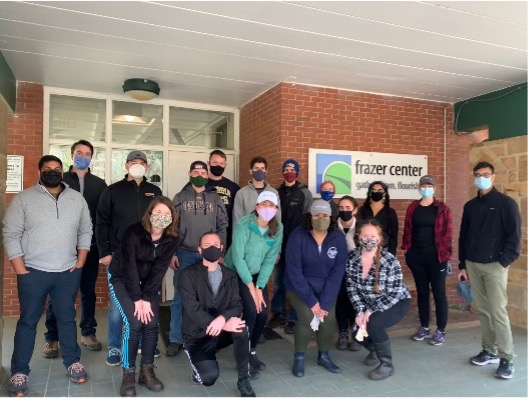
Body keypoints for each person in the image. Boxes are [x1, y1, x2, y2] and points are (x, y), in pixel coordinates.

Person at [3, 155, 93, 396]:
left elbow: (86, 229)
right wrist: (20, 269)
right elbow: (10, 233)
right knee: (28, 322)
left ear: (63, 172)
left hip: (67, 272)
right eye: (47, 169)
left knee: (66, 319)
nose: (52, 172)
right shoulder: (24, 199)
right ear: (40, 171)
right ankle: (19, 371)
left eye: (57, 169)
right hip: (33, 272)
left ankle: (73, 362)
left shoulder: (76, 199)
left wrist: (81, 261)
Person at [96, 150, 163, 366]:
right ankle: (115, 347)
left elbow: (162, 220)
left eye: (142, 162)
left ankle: (145, 342)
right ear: (126, 166)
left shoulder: (154, 191)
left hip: (147, 258)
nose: (137, 166)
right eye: (133, 162)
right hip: (119, 258)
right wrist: (104, 252)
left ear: (147, 167)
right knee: (118, 307)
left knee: (146, 301)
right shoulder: (112, 191)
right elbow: (102, 223)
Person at [109, 197, 179, 396]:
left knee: (151, 323)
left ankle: (146, 371)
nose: (162, 217)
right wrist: (137, 299)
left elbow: (159, 270)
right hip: (122, 278)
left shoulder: (172, 238)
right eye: (158, 213)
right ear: (149, 214)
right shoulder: (134, 232)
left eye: (167, 214)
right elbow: (128, 266)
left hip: (148, 283)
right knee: (134, 324)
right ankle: (128, 373)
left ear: (172, 218)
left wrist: (146, 297)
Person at [43, 140, 107, 358]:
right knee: (58, 293)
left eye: (87, 153)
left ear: (92, 157)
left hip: (90, 247)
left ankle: (88, 333)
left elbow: (103, 217)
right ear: (72, 155)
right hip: (62, 248)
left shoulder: (100, 184)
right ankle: (52, 338)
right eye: (79, 152)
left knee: (88, 292)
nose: (83, 156)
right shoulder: (58, 181)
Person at [458, 161, 521, 380]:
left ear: (493, 177)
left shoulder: (506, 204)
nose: (481, 177)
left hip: (495, 266)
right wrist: (462, 265)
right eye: (477, 174)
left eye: (485, 174)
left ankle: (507, 358)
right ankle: (490, 350)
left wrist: (503, 262)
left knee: (498, 312)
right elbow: (463, 236)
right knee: (483, 311)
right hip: (473, 265)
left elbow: (514, 239)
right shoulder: (470, 206)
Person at [179, 232, 256, 397]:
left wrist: (223, 320)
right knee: (208, 379)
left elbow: (237, 305)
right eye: (207, 245)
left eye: (215, 244)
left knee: (241, 328)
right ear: (199, 250)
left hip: (221, 331)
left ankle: (243, 379)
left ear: (222, 248)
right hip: (198, 334)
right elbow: (192, 308)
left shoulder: (230, 275)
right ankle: (198, 360)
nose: (212, 248)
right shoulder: (187, 275)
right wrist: (216, 322)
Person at [167, 161, 228, 357]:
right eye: (196, 171)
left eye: (203, 172)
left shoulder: (215, 198)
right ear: (189, 174)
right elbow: (171, 228)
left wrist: (219, 253)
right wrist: (172, 253)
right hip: (184, 253)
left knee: (208, 297)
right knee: (179, 298)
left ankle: (203, 337)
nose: (200, 175)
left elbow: (222, 226)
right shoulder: (180, 197)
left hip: (208, 255)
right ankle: (175, 338)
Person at [284, 200, 348, 377]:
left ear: (331, 217)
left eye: (325, 215)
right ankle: (299, 357)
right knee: (306, 316)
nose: (321, 218)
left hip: (326, 288)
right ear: (309, 217)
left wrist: (325, 304)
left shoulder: (337, 237)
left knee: (328, 317)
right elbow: (294, 271)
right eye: (317, 215)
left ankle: (324, 355)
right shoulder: (298, 235)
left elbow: (337, 272)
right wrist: (312, 302)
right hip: (299, 287)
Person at [225, 191, 283, 375]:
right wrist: (251, 287)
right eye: (263, 204)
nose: (267, 208)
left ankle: (252, 350)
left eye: (271, 205)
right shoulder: (243, 225)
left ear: (276, 209)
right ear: (256, 207)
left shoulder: (278, 228)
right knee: (251, 309)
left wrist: (259, 287)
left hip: (258, 274)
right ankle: (242, 356)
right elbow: (238, 258)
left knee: (263, 311)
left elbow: (270, 259)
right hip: (238, 271)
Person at [345, 219, 411, 380]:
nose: (368, 239)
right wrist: (360, 311)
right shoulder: (352, 258)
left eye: (373, 235)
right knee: (356, 333)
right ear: (358, 236)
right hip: (367, 304)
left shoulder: (389, 261)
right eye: (365, 235)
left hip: (396, 302)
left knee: (374, 324)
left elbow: (394, 293)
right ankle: (375, 349)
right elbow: (352, 287)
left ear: (380, 238)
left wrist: (370, 311)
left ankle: (387, 365)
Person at [402, 175, 453, 345]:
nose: (426, 188)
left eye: (429, 185)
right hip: (417, 256)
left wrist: (445, 255)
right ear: (419, 187)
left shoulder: (442, 208)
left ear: (434, 188)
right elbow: (408, 230)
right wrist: (407, 251)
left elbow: (448, 233)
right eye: (423, 185)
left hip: (436, 257)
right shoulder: (413, 207)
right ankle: (424, 326)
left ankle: (441, 330)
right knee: (422, 292)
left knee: (439, 293)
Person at [270, 159, 313, 334]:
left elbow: (308, 219)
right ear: (282, 172)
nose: (289, 171)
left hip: (296, 245)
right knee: (279, 281)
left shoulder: (305, 193)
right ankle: (278, 313)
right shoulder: (276, 192)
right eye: (286, 169)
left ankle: (294, 317)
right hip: (278, 245)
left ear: (297, 172)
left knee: (296, 282)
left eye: (292, 169)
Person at [335, 195, 361, 351]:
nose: (344, 211)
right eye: (341, 208)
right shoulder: (332, 226)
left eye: (348, 208)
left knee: (354, 302)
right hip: (337, 271)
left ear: (355, 210)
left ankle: (356, 332)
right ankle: (343, 332)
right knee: (340, 301)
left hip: (356, 271)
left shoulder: (361, 227)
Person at [232, 156, 280, 225]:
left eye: (262, 168)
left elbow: (277, 218)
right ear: (251, 171)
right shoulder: (241, 193)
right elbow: (237, 220)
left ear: (266, 172)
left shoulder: (274, 193)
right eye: (256, 168)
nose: (259, 171)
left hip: (269, 233)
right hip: (247, 234)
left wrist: (276, 234)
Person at [206, 150, 240, 248]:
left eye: (221, 163)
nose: (218, 166)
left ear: (225, 165)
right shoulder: (199, 185)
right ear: (208, 163)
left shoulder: (233, 187)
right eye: (215, 163)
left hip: (226, 235)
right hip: (204, 234)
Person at [357, 181, 398, 256]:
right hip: (364, 250)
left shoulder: (390, 212)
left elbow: (393, 237)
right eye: (374, 190)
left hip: (383, 251)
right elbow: (358, 231)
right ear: (369, 193)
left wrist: (391, 255)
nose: (376, 192)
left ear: (385, 193)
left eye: (380, 190)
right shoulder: (362, 210)